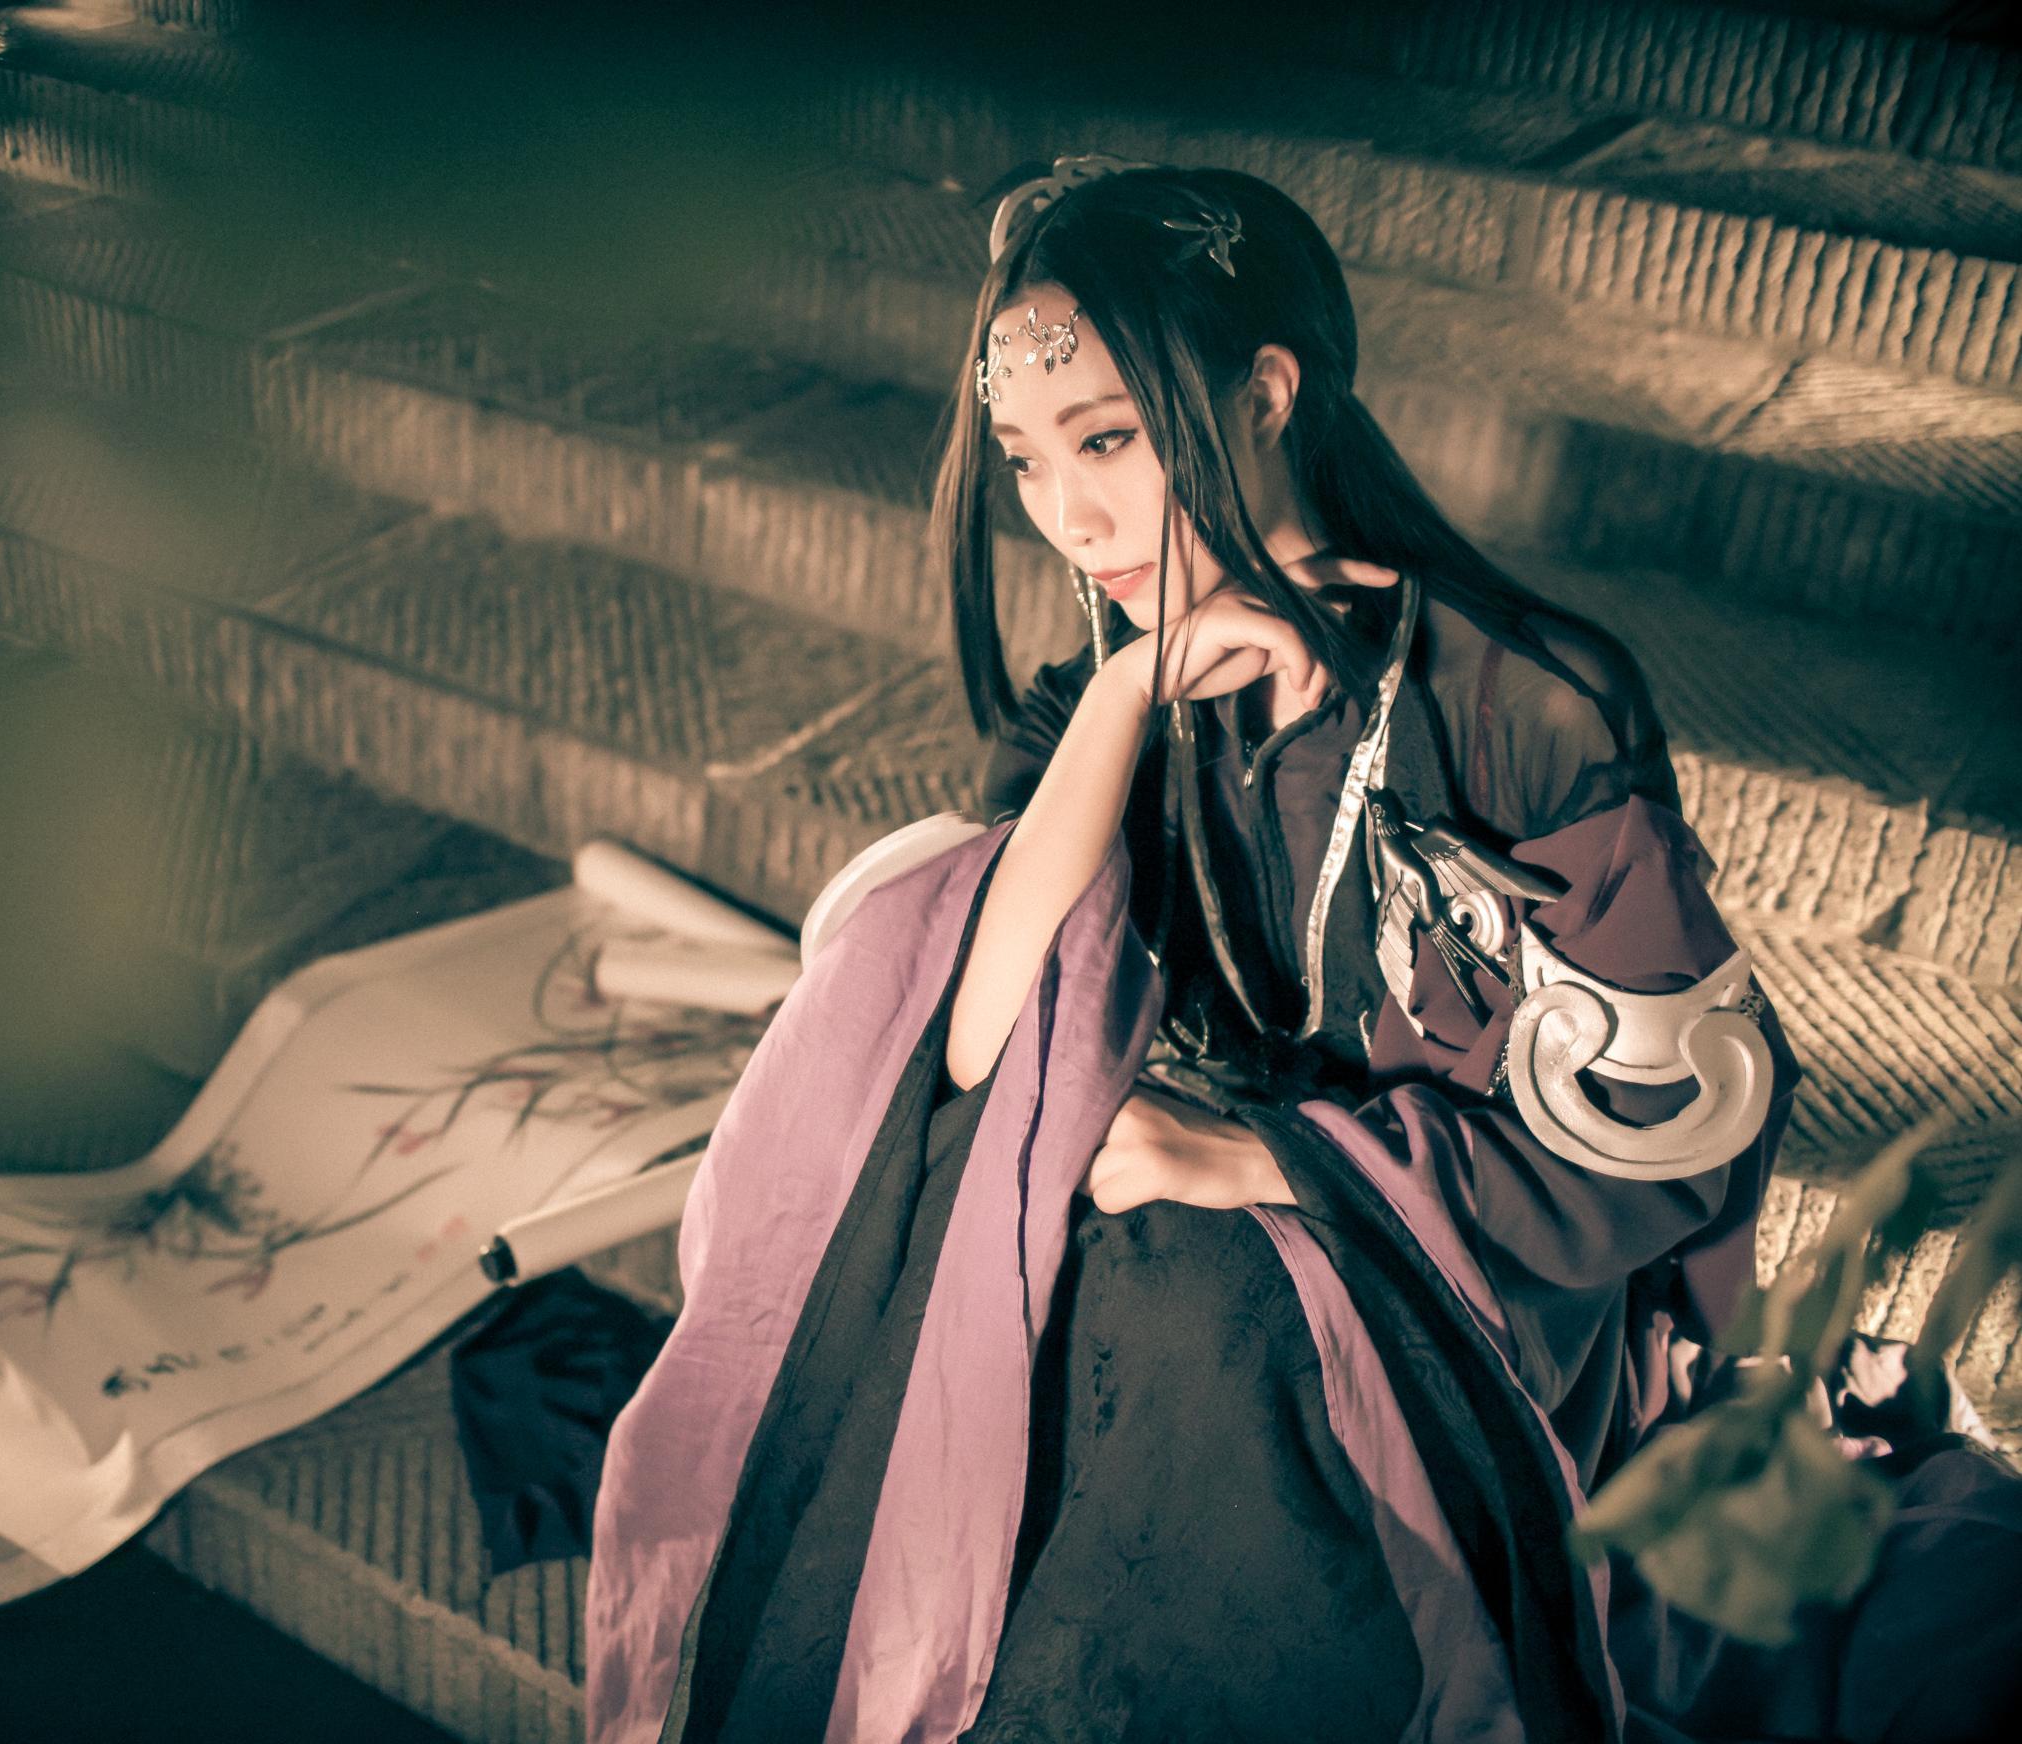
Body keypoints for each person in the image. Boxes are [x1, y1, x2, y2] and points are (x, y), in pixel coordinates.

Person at [584, 159, 1799, 1743]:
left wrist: (1276, 1161)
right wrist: (1121, 698)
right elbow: (970, 1044)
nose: (1068, 515)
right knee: (1004, 1254)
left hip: (1462, 1264)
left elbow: (1662, 1133)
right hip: (1183, 1227)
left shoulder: (1523, 700)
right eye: (1027, 460)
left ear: (1266, 395)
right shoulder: (1101, 698)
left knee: (1186, 1297)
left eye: (1107, 441)